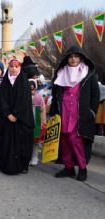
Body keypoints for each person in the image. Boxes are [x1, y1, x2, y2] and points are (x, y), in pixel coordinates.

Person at [50, 46, 99, 181]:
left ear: (81, 58)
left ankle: (82, 168)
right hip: (64, 111)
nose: (73, 59)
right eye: (70, 56)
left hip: (80, 113)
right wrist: (54, 112)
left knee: (75, 140)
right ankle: (69, 167)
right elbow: (55, 95)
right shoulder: (61, 73)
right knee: (64, 140)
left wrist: (91, 111)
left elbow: (95, 95)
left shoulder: (88, 74)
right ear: (67, 59)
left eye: (76, 56)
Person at [0, 59, 34, 175]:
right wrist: (8, 114)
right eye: (11, 66)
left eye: (16, 66)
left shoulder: (24, 82)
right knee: (7, 142)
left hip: (22, 119)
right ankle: (6, 164)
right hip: (7, 119)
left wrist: (16, 114)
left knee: (23, 143)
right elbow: (1, 99)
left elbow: (24, 100)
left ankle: (23, 165)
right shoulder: (5, 82)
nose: (13, 68)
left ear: (20, 68)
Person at [29, 79, 46, 166]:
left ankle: (34, 157)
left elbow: (43, 111)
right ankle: (27, 157)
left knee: (35, 141)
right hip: (26, 121)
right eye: (29, 88)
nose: (31, 90)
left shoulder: (39, 97)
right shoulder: (23, 96)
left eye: (33, 88)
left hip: (36, 121)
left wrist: (43, 123)